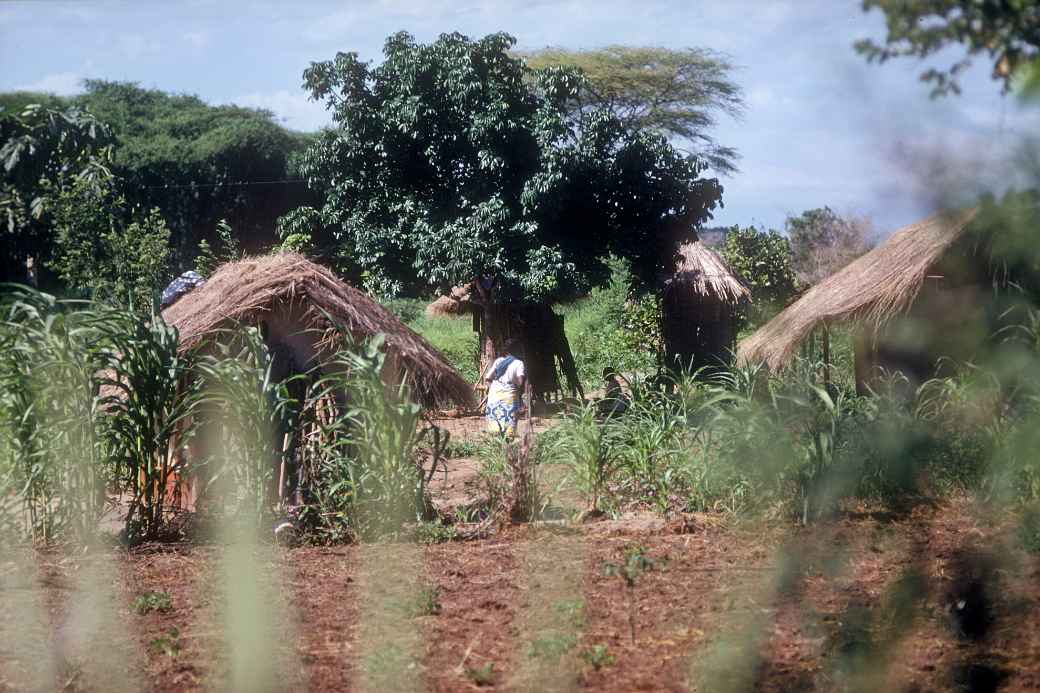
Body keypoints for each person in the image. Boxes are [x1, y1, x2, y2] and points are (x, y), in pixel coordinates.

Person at [484, 338, 526, 435]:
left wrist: (494, 388)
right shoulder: (519, 363)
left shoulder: (498, 361)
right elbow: (520, 382)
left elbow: (488, 378)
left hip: (494, 395)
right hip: (509, 396)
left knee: (494, 423)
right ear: (517, 350)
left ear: (506, 350)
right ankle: (507, 445)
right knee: (509, 426)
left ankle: (495, 444)